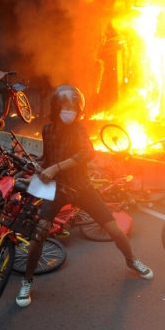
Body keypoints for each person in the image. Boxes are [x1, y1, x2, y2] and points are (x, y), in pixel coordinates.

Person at [15, 85, 153, 308]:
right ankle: (27, 281)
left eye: (74, 107)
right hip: (57, 190)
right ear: (56, 107)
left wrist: (56, 167)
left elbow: (88, 153)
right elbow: (47, 157)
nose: (71, 110)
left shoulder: (79, 129)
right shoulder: (48, 129)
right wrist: (39, 166)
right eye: (66, 106)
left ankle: (131, 260)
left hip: (82, 188)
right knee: (39, 233)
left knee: (114, 229)